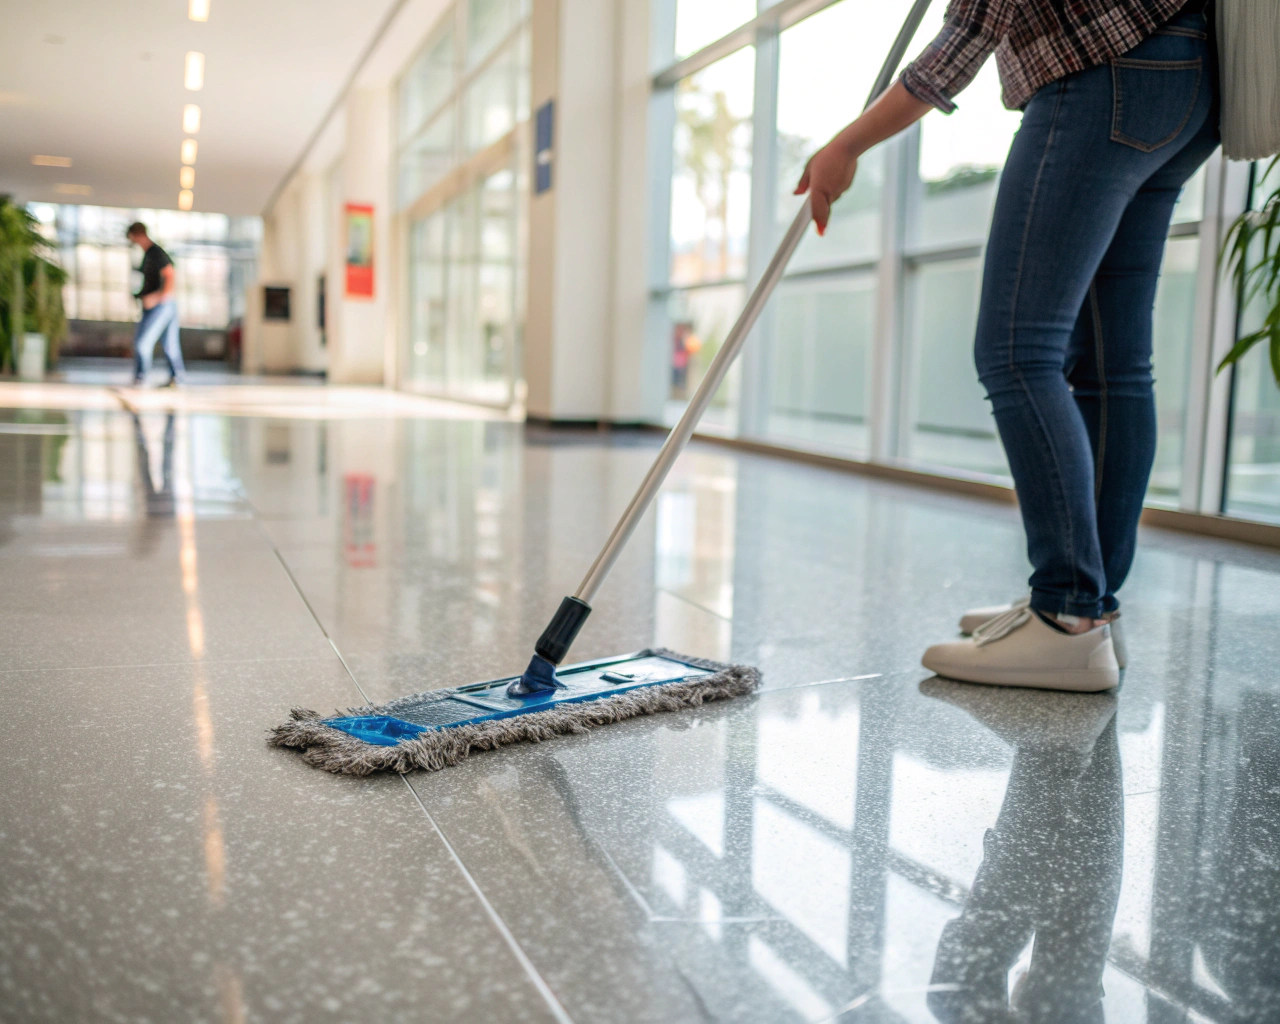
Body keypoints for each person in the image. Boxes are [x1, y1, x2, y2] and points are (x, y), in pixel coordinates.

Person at [796, 0, 1219, 691]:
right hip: (1184, 78)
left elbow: (968, 34)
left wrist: (845, 145)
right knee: (1115, 367)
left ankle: (1067, 616)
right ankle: (1091, 611)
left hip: (1102, 76)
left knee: (1019, 350)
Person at [126, 221, 186, 387]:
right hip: (166, 305)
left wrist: (159, 297)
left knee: (142, 343)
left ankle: (141, 377)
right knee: (170, 344)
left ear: (136, 235)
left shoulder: (155, 252)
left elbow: (170, 274)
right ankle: (177, 378)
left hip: (162, 305)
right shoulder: (148, 254)